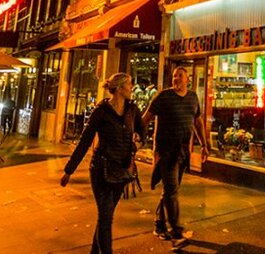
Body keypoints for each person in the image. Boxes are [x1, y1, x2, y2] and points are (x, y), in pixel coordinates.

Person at [61, 73, 144, 254]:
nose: (132, 88)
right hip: (101, 169)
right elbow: (85, 140)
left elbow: (142, 134)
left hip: (121, 171)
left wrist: (136, 144)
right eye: (129, 84)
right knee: (105, 218)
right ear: (120, 88)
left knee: (105, 219)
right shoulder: (101, 111)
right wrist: (69, 170)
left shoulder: (132, 110)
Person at [142, 66, 210, 249]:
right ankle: (176, 233)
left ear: (187, 79)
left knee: (171, 190)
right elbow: (145, 118)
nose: (176, 79)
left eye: (180, 76)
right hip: (165, 151)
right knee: (171, 190)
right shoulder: (163, 97)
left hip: (182, 152)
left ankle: (159, 224)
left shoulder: (193, 97)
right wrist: (136, 137)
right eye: (174, 76)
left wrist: (204, 145)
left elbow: (198, 122)